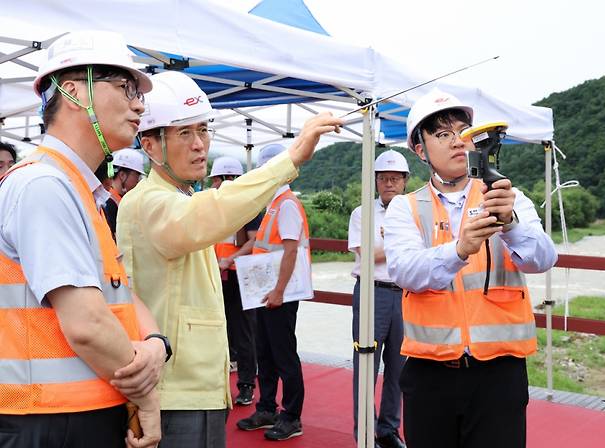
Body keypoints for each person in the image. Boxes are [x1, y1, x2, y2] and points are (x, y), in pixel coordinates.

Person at [117, 72, 342, 448]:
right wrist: (289, 159)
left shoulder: (179, 197)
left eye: (203, 130)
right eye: (184, 133)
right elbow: (213, 211)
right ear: (150, 145)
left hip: (199, 386)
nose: (199, 144)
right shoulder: (147, 201)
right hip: (174, 391)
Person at [0, 30, 166, 448]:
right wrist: (145, 392)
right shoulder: (45, 184)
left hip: (77, 415)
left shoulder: (75, 188)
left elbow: (119, 294)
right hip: (47, 420)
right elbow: (88, 325)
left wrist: (155, 345)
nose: (139, 104)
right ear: (73, 92)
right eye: (126, 87)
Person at [383, 89, 558, 448]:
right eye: (442, 134)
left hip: (499, 372)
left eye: (463, 131)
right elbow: (404, 271)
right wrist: (460, 249)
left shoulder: (507, 196)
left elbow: (543, 259)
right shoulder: (405, 207)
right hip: (429, 372)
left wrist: (511, 224)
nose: (456, 141)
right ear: (420, 149)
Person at [236, 144, 309, 441]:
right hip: (268, 293)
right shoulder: (274, 204)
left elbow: (291, 251)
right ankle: (267, 408)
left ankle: (291, 416)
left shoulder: (287, 204)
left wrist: (278, 291)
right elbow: (266, 246)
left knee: (283, 355)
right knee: (264, 352)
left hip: (281, 294)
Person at [349, 150, 408, 448]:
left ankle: (388, 430)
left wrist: (391, 245)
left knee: (399, 366)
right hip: (373, 292)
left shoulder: (413, 211)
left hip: (405, 294)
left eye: (395, 178)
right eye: (384, 178)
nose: (389, 183)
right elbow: (368, 255)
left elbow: (422, 251)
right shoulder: (363, 213)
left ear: (405, 181)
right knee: (366, 365)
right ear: (375, 181)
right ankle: (364, 431)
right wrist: (401, 244)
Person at [210, 156, 259, 406]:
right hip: (218, 277)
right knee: (220, 330)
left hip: (240, 277)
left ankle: (247, 383)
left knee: (243, 332)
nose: (215, 185)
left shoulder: (247, 207)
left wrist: (230, 260)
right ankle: (220, 382)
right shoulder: (213, 208)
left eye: (217, 180)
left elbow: (253, 241)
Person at [103, 148, 146, 239]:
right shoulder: (109, 203)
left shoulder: (117, 199)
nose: (138, 180)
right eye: (137, 175)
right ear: (122, 175)